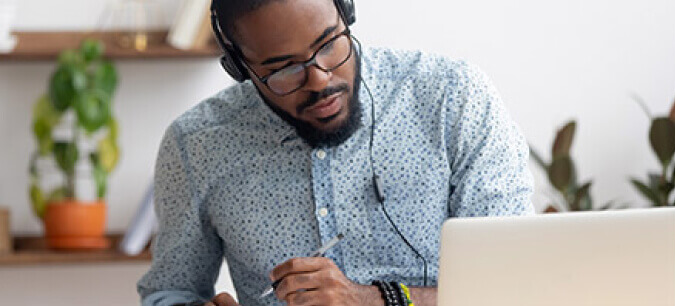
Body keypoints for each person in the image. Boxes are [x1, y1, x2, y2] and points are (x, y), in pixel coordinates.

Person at [137, 0, 534, 305]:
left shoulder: (453, 98)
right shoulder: (196, 145)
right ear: (240, 68)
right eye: (283, 69)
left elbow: (516, 287)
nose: (320, 79)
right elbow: (170, 291)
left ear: (346, 13)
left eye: (328, 45)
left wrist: (373, 299)